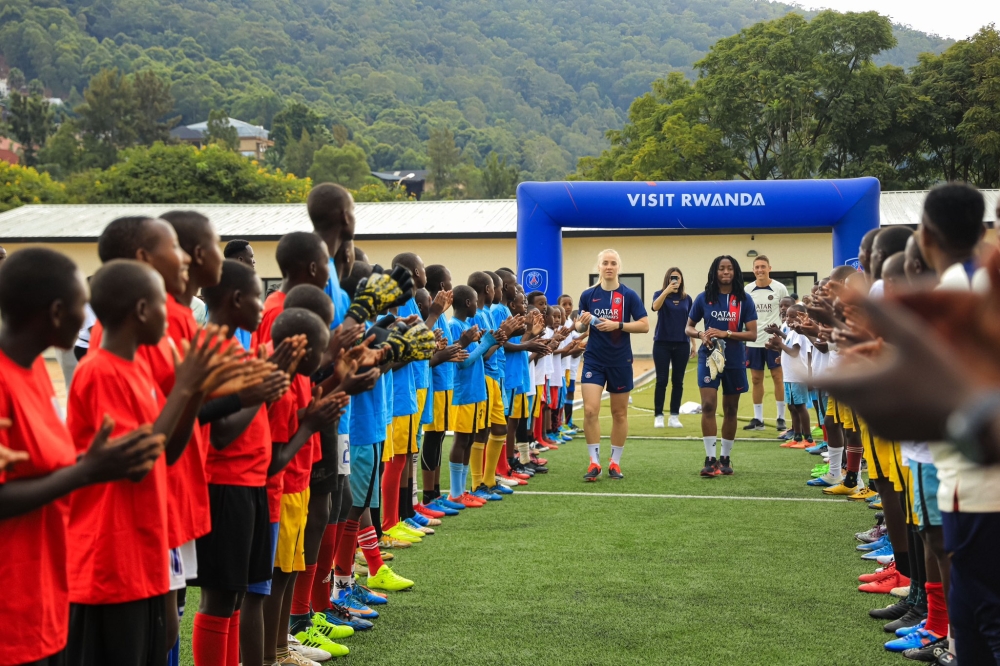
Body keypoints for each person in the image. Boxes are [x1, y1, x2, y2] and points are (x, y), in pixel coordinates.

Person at [0, 248, 165, 666]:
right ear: (57, 312)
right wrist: (86, 472)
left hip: (46, 596)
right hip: (11, 613)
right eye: (81, 306)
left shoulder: (34, 370)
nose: (88, 318)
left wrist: (84, 469)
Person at [67, 259, 235, 665]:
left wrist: (195, 390)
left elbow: (170, 450)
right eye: (164, 303)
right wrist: (186, 388)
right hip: (112, 554)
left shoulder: (135, 369)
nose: (175, 312)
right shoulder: (101, 372)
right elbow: (139, 461)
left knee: (160, 637)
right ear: (142, 311)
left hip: (144, 540)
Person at [576, 249, 649, 481]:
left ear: (619, 267)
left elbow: (644, 325)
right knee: (590, 410)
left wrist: (617, 325)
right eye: (605, 263)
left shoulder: (629, 295)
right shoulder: (588, 295)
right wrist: (581, 324)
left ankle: (614, 462)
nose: (609, 267)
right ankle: (594, 462)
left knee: (619, 413)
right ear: (599, 267)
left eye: (613, 263)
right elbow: (579, 328)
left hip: (620, 360)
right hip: (594, 360)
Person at [685, 255, 757, 477]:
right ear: (714, 272)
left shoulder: (744, 299)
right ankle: (710, 459)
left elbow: (753, 334)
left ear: (735, 272)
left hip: (734, 359)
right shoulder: (703, 298)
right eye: (721, 269)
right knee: (708, 405)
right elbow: (688, 327)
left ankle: (725, 458)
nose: (725, 272)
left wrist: (727, 334)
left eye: (729, 268)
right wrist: (700, 334)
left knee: (731, 409)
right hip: (709, 358)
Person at [744, 256, 789, 431]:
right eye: (757, 267)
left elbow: (786, 312)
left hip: (774, 342)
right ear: (753, 269)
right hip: (753, 341)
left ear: (769, 267)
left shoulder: (780, 288)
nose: (760, 270)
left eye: (763, 266)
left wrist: (783, 334)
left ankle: (780, 417)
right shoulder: (747, 289)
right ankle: (758, 419)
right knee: (756, 379)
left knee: (778, 377)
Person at [650, 267, 694, 429]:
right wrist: (666, 291)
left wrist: (693, 344)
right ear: (668, 279)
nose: (675, 281)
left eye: (678, 278)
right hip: (662, 343)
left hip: (682, 343)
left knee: (678, 381)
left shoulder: (687, 299)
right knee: (661, 380)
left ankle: (674, 416)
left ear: (681, 280)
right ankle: (659, 415)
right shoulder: (659, 294)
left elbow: (691, 322)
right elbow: (655, 307)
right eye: (672, 278)